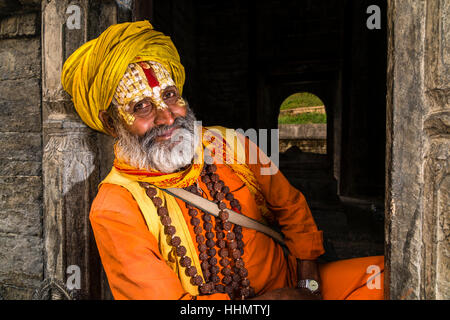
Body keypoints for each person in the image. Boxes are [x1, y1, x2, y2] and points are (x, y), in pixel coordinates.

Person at [61, 20, 384, 300]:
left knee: (383, 276)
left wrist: (308, 282)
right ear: (111, 122)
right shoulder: (115, 206)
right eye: (141, 107)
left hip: (295, 286)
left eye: (171, 96)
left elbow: (290, 206)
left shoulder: (230, 143)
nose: (166, 117)